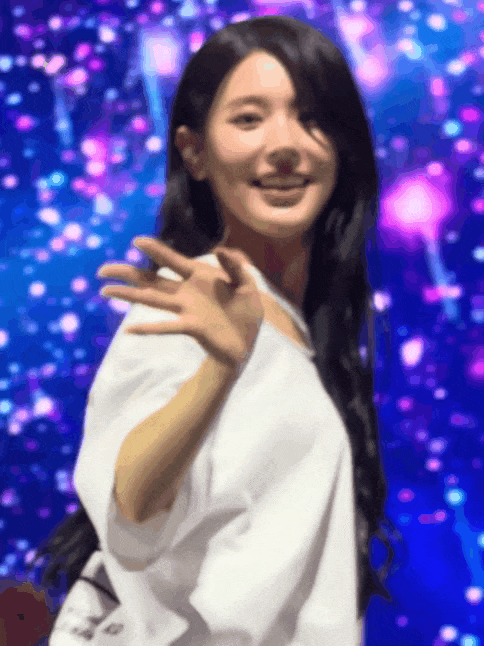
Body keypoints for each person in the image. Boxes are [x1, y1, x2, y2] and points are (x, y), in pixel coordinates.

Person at [29, 15, 406, 645]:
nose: (284, 144)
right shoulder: (191, 305)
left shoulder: (295, 324)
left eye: (312, 118)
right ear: (194, 153)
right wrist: (219, 370)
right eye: (249, 119)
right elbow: (131, 513)